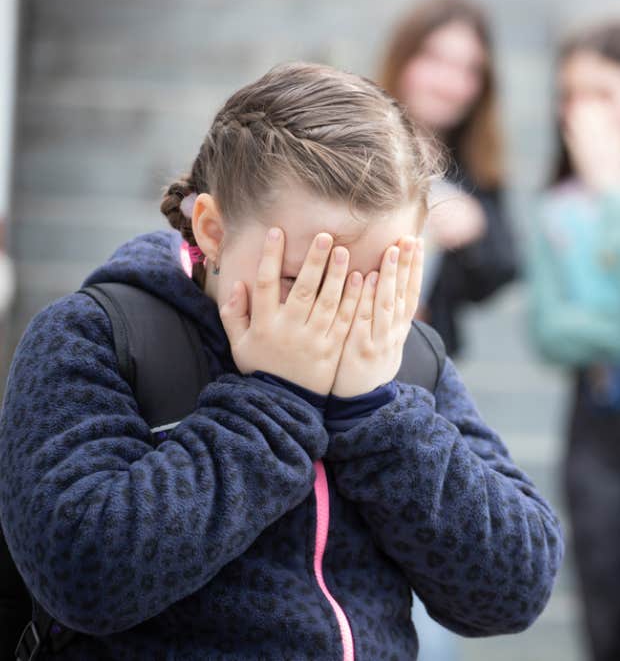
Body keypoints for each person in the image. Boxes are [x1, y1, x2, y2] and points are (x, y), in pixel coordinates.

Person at [0, 62, 562, 660]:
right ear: (212, 230)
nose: (340, 311)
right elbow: (82, 576)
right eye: (304, 279)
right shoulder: (95, 337)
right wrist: (274, 403)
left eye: (378, 282)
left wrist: (379, 418)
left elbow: (513, 592)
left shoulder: (402, 363)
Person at [529, 22, 620, 661]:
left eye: (601, 92)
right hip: (596, 424)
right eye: (569, 95)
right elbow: (553, 334)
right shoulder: (556, 210)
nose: (580, 112)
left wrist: (612, 191)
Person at [379, 0, 517, 356]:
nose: (450, 82)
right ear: (404, 57)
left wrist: (475, 227)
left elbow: (500, 272)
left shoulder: (471, 164)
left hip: (421, 356)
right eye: (435, 59)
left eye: (469, 69)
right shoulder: (353, 139)